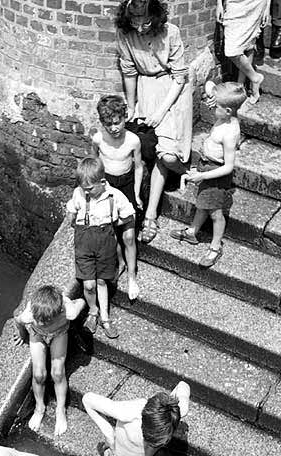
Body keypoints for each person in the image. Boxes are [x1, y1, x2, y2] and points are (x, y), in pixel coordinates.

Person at [116, 0, 193, 244]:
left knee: (168, 156)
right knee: (153, 149)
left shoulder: (171, 33)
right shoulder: (125, 34)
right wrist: (131, 105)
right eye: (134, 21)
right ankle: (150, 216)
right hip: (146, 88)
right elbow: (129, 71)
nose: (139, 27)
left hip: (172, 89)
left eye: (145, 21)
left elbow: (180, 77)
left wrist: (161, 112)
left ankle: (187, 171)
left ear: (156, 16)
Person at [171, 81, 247, 268]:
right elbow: (210, 85)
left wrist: (203, 175)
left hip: (215, 172)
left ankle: (215, 246)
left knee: (215, 213)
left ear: (228, 111)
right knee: (202, 203)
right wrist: (215, 96)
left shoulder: (229, 132)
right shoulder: (226, 118)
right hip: (207, 166)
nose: (212, 108)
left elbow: (228, 167)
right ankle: (193, 231)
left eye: (217, 107)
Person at [66, 156, 136, 339]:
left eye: (89, 189)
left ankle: (105, 317)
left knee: (102, 281)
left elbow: (129, 215)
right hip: (84, 244)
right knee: (88, 285)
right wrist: (74, 223)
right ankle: (92, 310)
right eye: (83, 188)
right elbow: (71, 213)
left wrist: (114, 223)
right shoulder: (79, 194)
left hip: (105, 244)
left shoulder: (114, 196)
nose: (85, 191)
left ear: (102, 182)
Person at [14, 284, 85, 436]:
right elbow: (18, 320)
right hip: (37, 335)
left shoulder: (66, 309)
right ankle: (39, 408)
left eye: (45, 321)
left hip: (59, 333)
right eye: (38, 319)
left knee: (58, 372)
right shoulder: (30, 313)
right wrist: (22, 334)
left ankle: (61, 410)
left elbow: (81, 301)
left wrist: (79, 308)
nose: (41, 322)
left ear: (58, 312)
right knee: (39, 374)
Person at [92, 94, 143, 301]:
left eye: (118, 122)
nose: (114, 128)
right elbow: (94, 165)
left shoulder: (133, 140)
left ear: (124, 118)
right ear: (102, 123)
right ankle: (120, 262)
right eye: (109, 124)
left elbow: (138, 167)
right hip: (108, 185)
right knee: (112, 232)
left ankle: (132, 276)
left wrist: (137, 193)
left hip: (127, 184)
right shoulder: (97, 139)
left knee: (129, 235)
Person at [216, 0, 270, 103]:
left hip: (256, 4)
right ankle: (255, 78)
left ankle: (240, 87)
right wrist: (219, 4)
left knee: (248, 44)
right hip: (234, 4)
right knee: (231, 50)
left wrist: (267, 7)